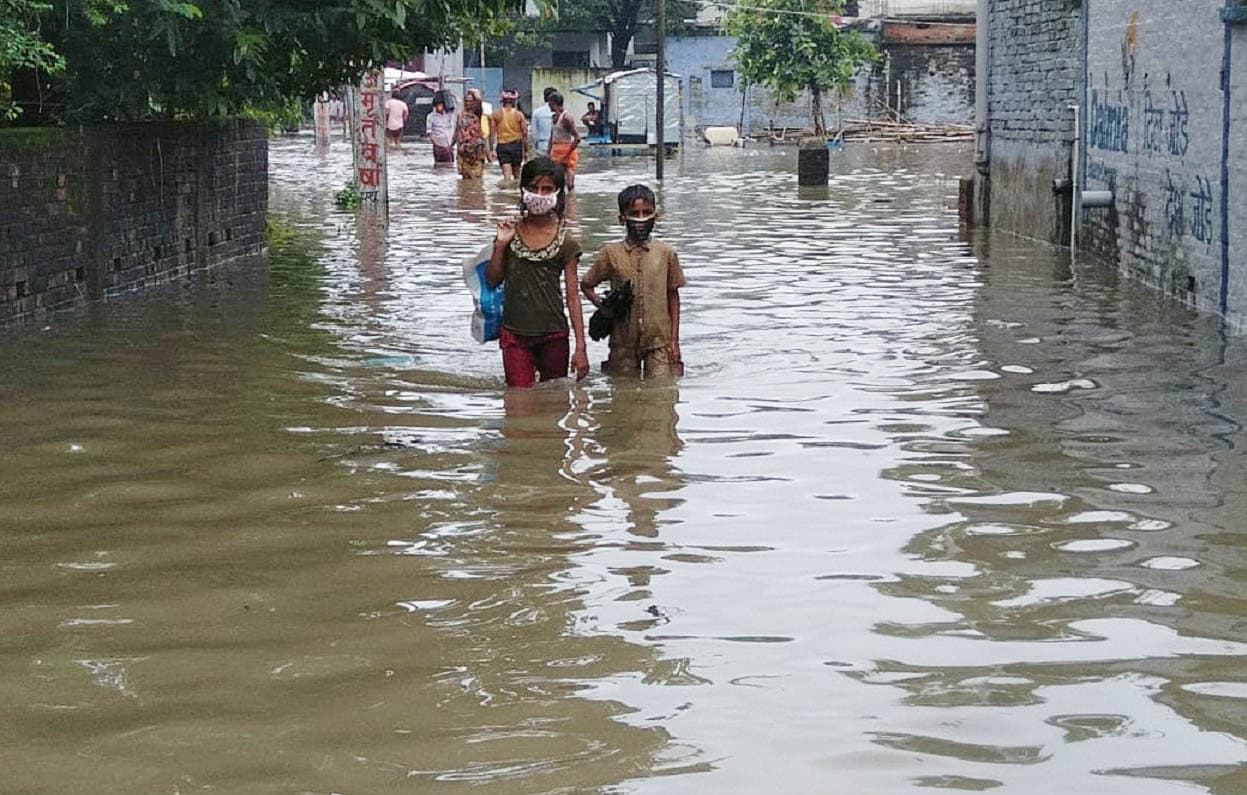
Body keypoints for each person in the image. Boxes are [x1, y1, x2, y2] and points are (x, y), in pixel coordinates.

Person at [485, 157, 590, 388]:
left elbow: (573, 296)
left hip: (554, 334)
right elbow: (492, 281)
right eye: (533, 188)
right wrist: (500, 246)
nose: (539, 195)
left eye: (547, 189)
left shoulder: (566, 242)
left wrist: (581, 348)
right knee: (517, 401)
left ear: (557, 194)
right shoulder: (509, 233)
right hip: (514, 334)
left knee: (554, 403)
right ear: (522, 190)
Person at [581, 184, 685, 378]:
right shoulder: (610, 253)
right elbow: (587, 284)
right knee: (622, 393)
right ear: (622, 219)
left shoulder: (666, 254)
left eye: (646, 212)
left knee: (661, 394)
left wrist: (674, 341)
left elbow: (673, 295)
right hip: (623, 342)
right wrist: (605, 308)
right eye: (634, 213)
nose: (640, 219)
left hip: (659, 342)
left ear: (656, 216)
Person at [545, 92, 581, 192]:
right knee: (556, 182)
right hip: (555, 152)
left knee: (570, 185)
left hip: (568, 151)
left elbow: (577, 138)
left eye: (549, 104)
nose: (548, 106)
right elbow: (551, 136)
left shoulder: (566, 118)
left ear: (554, 103)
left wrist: (567, 155)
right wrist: (548, 152)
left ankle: (571, 202)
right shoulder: (553, 118)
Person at [492, 89, 529, 183]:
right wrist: (526, 151)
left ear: (502, 101)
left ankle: (506, 194)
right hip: (516, 146)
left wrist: (492, 150)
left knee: (506, 175)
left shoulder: (496, 114)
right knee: (517, 174)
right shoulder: (519, 115)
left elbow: (492, 134)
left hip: (502, 146)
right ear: (514, 101)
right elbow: (524, 134)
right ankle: (516, 193)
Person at [456, 89, 490, 179]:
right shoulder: (460, 115)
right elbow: (457, 131)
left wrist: (475, 92)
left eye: (470, 101)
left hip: (476, 151)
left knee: (477, 177)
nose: (468, 103)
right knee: (465, 178)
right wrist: (451, 145)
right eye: (466, 101)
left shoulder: (477, 113)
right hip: (463, 151)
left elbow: (479, 101)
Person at [426, 91, 456, 166]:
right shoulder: (431, 117)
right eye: (437, 105)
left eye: (440, 105)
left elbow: (454, 106)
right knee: (439, 165)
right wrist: (436, 144)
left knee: (450, 165)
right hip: (438, 145)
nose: (439, 107)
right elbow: (429, 132)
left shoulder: (449, 115)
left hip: (448, 144)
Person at [530, 86, 558, 157]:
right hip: (558, 146)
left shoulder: (537, 112)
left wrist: (536, 145)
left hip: (542, 145)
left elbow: (534, 133)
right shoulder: (562, 113)